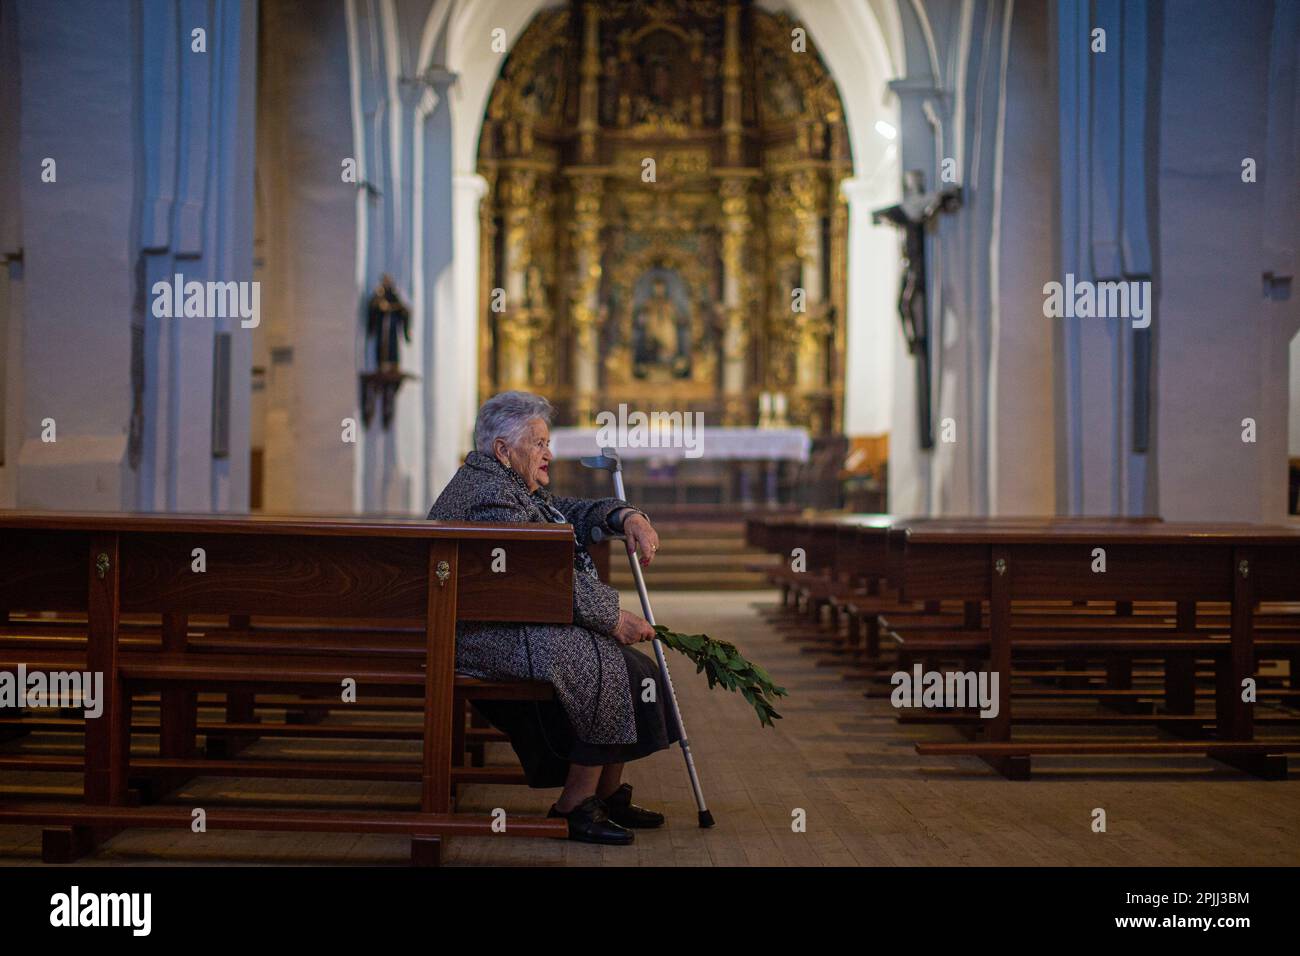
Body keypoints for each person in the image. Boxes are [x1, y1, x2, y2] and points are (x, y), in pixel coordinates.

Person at [427, 390, 678, 845]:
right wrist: (612, 617)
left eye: (547, 442)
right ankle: (575, 806)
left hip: (512, 622)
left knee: (635, 667)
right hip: (480, 634)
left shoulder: (506, 485)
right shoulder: (488, 496)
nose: (549, 453)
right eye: (539, 443)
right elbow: (538, 577)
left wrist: (624, 515)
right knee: (599, 659)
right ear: (504, 450)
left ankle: (607, 793)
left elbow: (567, 512)